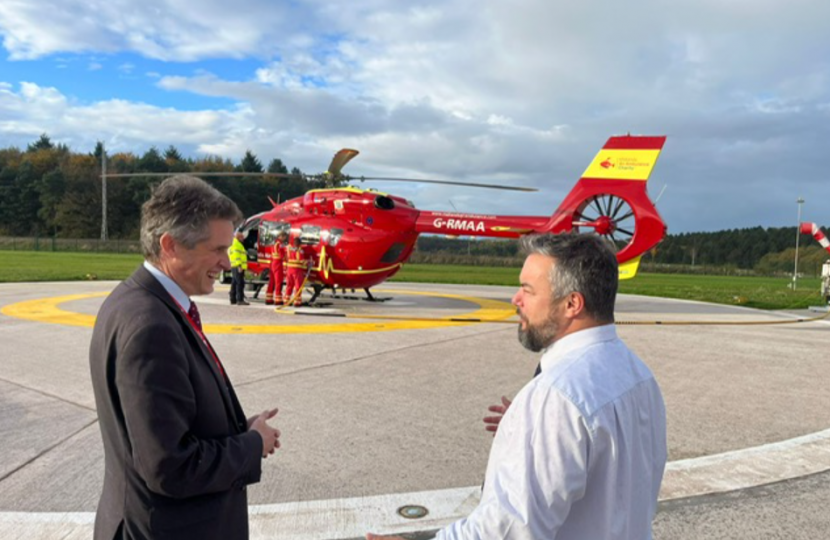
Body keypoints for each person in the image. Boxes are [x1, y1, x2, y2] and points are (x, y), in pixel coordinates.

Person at [368, 233, 667, 540]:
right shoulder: (639, 376)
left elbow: (510, 529)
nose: (516, 299)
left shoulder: (556, 397)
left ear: (571, 304)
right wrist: (533, 430)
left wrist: (541, 423)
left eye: (528, 290)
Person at [89, 176, 281, 540]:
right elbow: (169, 467)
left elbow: (160, 430)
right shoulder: (151, 326)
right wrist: (252, 445)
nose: (227, 263)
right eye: (217, 249)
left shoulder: (138, 301)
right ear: (170, 245)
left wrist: (237, 429)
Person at [284, 235, 309, 307]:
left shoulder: (289, 249)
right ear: (299, 244)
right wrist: (308, 262)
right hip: (297, 271)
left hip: (289, 270)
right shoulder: (300, 250)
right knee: (298, 286)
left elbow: (285, 258)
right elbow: (301, 260)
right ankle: (297, 302)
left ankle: (286, 301)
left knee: (289, 285)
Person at [265, 231, 288, 305]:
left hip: (273, 263)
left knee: (271, 282)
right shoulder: (280, 244)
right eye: (284, 237)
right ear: (281, 236)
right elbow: (282, 255)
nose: (285, 239)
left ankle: (268, 299)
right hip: (278, 263)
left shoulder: (274, 243)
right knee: (278, 281)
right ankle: (278, 299)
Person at [229, 230, 250, 305]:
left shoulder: (235, 243)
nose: (243, 239)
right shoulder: (237, 244)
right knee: (240, 283)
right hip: (238, 266)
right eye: (242, 237)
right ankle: (240, 300)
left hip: (234, 265)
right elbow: (236, 256)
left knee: (234, 282)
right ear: (238, 237)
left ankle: (233, 299)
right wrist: (239, 266)